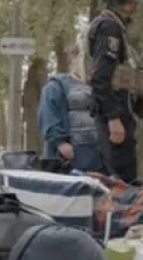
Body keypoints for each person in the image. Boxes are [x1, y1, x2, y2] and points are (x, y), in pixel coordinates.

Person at [88, 0, 143, 182]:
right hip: (114, 112)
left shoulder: (112, 26)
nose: (136, 8)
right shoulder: (109, 28)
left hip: (118, 110)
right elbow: (100, 77)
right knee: (121, 180)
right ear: (125, 3)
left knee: (120, 177)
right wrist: (114, 118)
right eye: (133, 3)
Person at [36, 42, 102, 172]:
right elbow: (48, 114)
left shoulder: (99, 87)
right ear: (73, 58)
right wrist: (60, 143)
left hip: (96, 155)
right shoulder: (57, 86)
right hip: (68, 156)